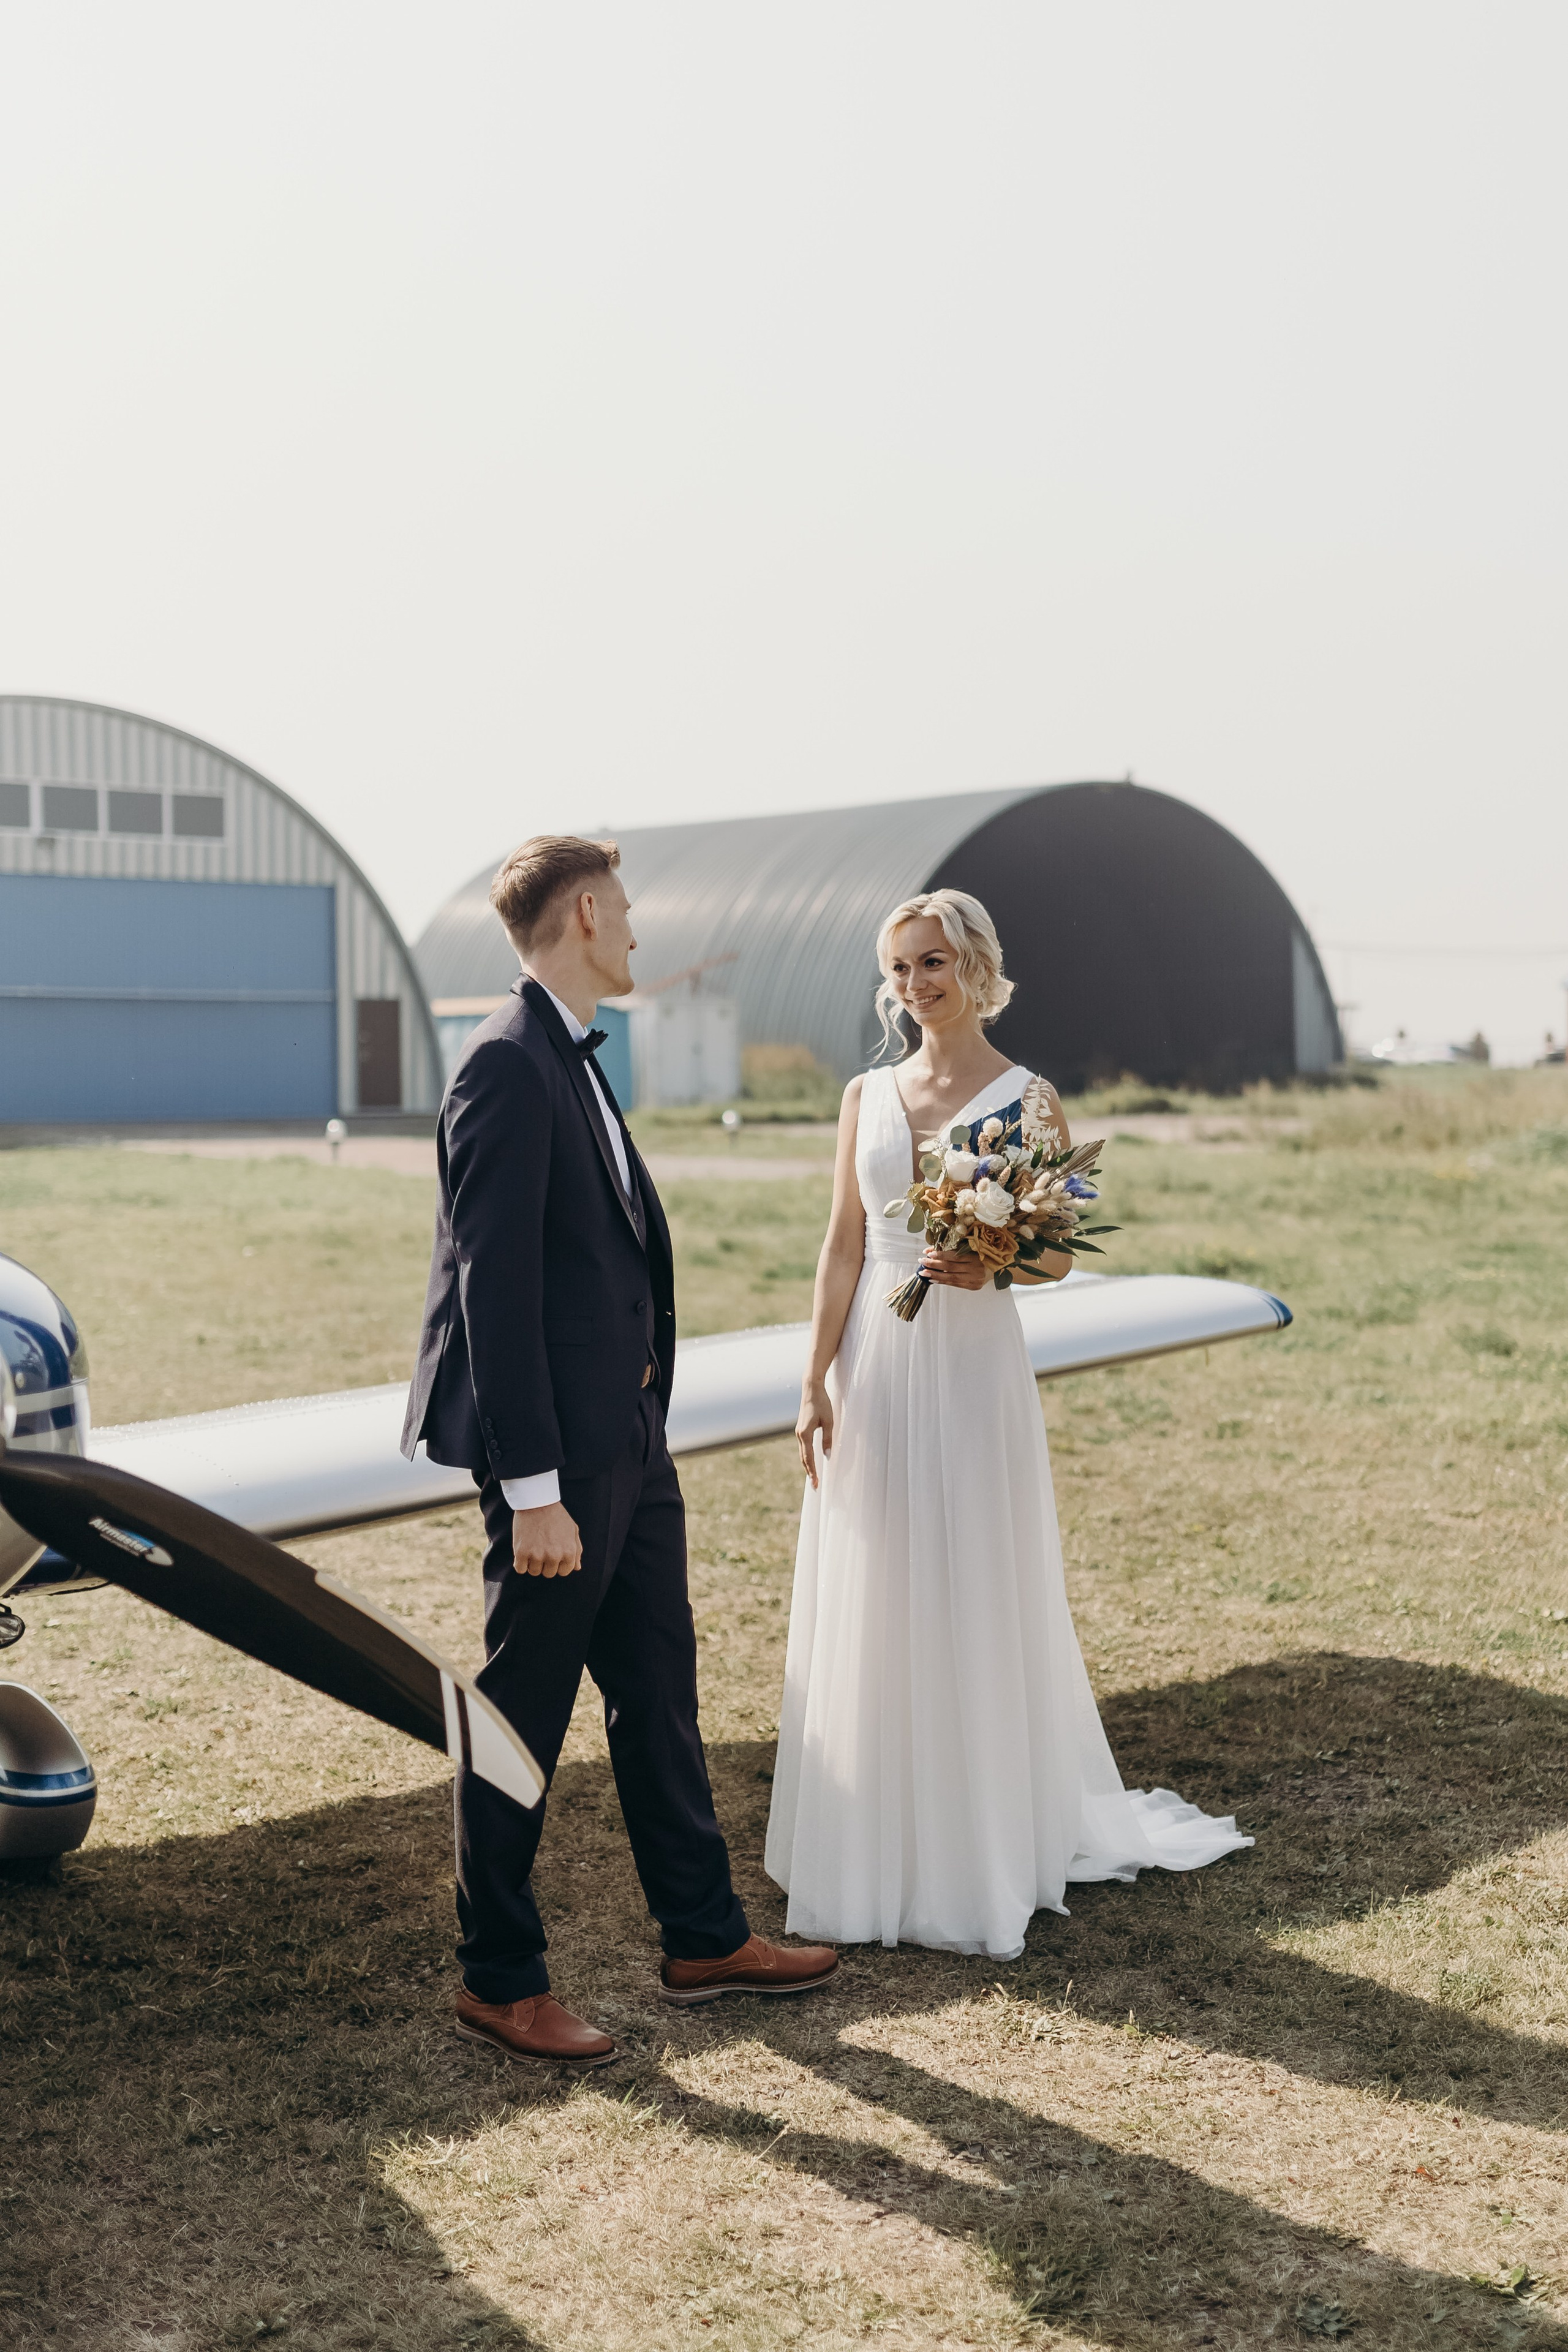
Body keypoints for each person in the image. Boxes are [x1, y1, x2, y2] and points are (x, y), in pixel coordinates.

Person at [404, 836, 837, 2067]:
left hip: (629, 1448)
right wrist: (535, 1492)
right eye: (629, 912)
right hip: (559, 1469)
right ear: (587, 914)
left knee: (658, 1692)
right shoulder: (503, 1061)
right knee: (520, 1719)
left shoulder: (571, 1057)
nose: (640, 933)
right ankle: (497, 1977)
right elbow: (492, 1291)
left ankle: (702, 1935)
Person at [765, 889, 1251, 1958]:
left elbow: (1062, 1252)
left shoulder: (1030, 1099)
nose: (914, 985)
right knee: (881, 1575)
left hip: (975, 1365)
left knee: (974, 1577)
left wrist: (994, 1260)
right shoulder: (865, 1095)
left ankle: (975, 1847)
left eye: (932, 963)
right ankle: (870, 1842)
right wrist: (813, 1382)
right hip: (877, 1366)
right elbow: (843, 1244)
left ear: (975, 967)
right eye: (899, 969)